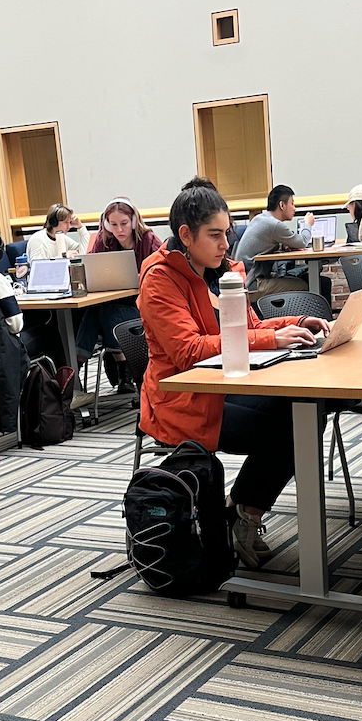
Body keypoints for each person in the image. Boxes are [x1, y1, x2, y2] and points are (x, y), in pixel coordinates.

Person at [138, 177, 330, 567]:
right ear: (186, 235)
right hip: (182, 398)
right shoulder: (159, 278)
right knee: (292, 422)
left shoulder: (222, 271)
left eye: (227, 233)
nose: (226, 244)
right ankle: (243, 514)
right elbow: (188, 351)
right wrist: (269, 342)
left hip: (225, 384)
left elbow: (249, 328)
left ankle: (239, 511)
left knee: (311, 405)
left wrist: (295, 323)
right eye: (216, 235)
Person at [74, 197, 162, 394]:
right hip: (111, 307)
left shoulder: (148, 240)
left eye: (124, 223)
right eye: (113, 224)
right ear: (106, 224)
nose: (119, 229)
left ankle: (75, 370)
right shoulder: (104, 240)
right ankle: (125, 375)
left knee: (101, 311)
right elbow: (92, 270)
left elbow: (160, 275)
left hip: (141, 309)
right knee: (99, 311)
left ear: (133, 221)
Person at [233, 185, 331, 303]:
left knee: (304, 281)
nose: (294, 208)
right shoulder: (273, 224)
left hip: (245, 280)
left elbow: (265, 243)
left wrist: (282, 245)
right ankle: (304, 321)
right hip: (252, 284)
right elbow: (302, 242)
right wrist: (308, 224)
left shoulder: (260, 218)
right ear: (282, 205)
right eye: (292, 204)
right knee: (302, 286)